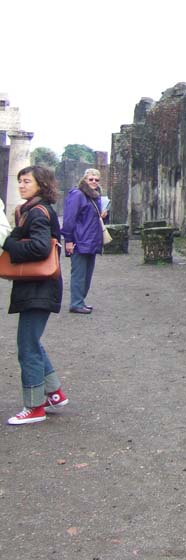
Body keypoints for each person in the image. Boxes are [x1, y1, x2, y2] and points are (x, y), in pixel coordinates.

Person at [2, 165, 68, 425]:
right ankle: (54, 392)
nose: (21, 185)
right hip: (37, 287)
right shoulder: (29, 211)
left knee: (27, 346)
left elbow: (41, 247)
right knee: (32, 342)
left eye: (26, 181)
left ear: (41, 184)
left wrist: (8, 244)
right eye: (19, 181)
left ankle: (34, 406)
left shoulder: (37, 213)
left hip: (39, 287)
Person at [62, 167, 106, 314]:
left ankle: (80, 301)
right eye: (90, 179)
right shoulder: (78, 195)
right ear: (84, 180)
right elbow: (69, 219)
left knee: (87, 275)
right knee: (79, 274)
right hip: (79, 241)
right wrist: (68, 240)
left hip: (91, 241)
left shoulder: (94, 196)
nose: (93, 182)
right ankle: (76, 303)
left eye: (96, 180)